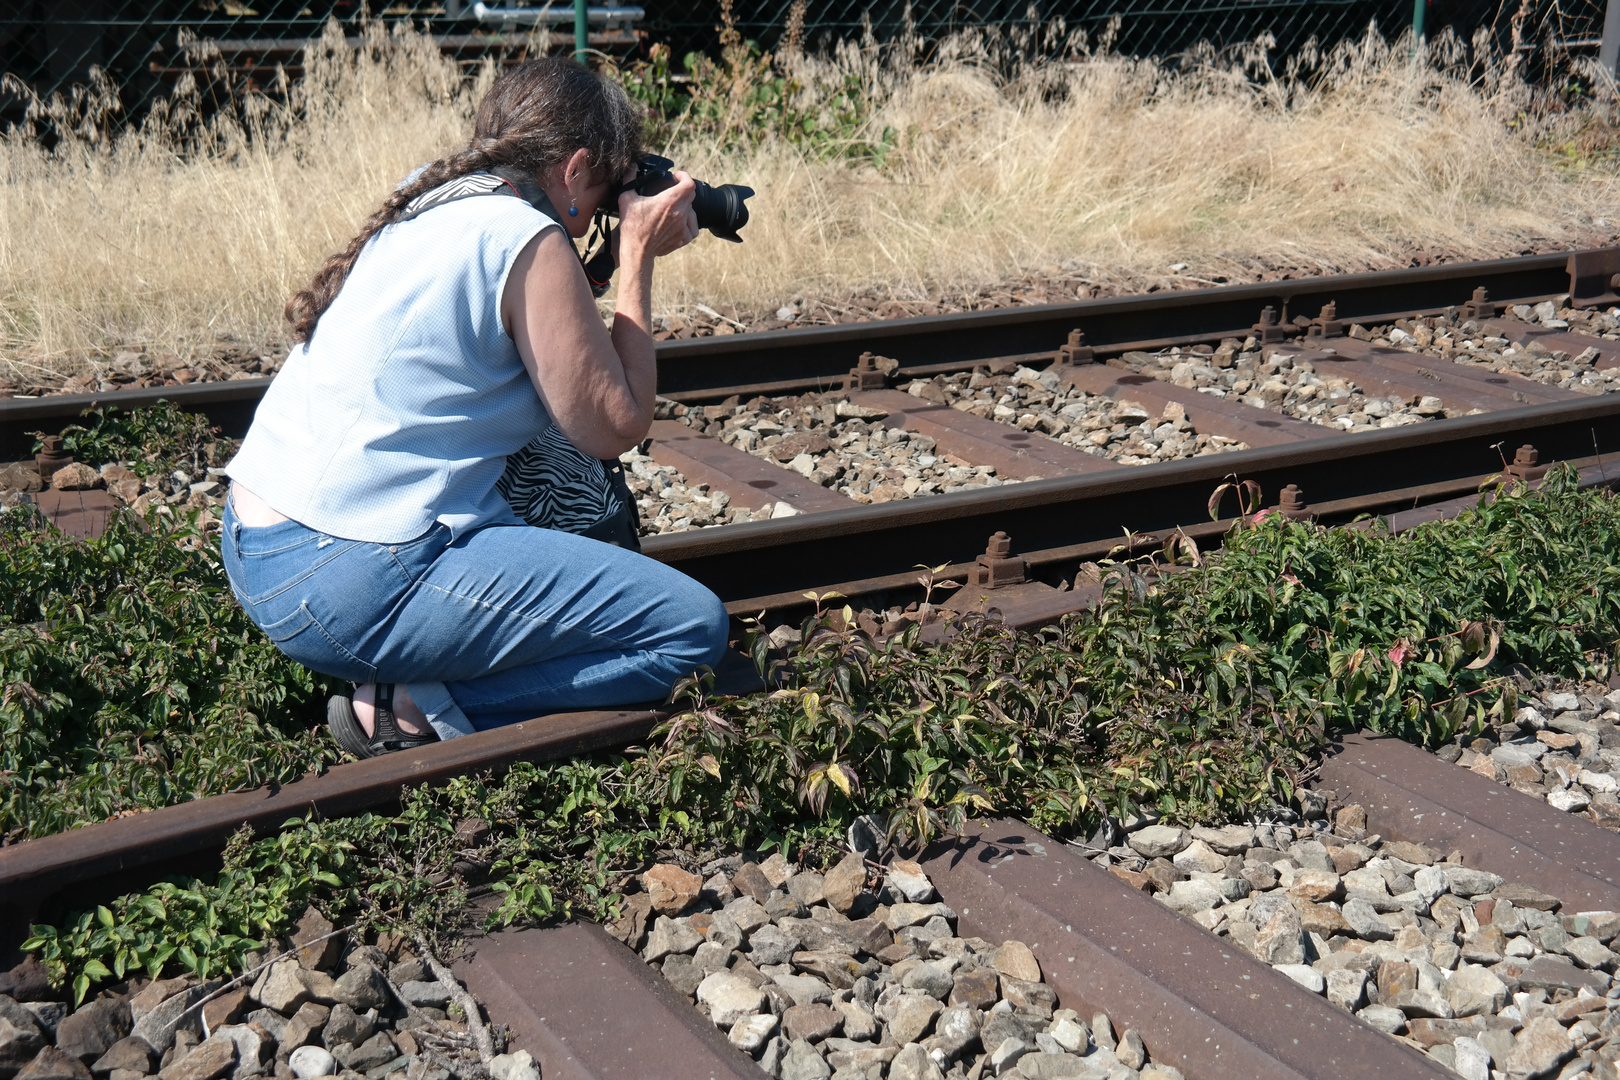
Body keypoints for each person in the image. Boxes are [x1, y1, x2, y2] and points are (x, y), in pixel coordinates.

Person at [219, 57, 730, 758]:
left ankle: (412, 661)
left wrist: (603, 256)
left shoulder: (434, 195)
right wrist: (637, 255)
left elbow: (538, 323)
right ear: (577, 169)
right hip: (344, 581)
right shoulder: (528, 238)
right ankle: (418, 708)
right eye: (606, 187)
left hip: (257, 546)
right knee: (690, 632)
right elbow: (615, 425)